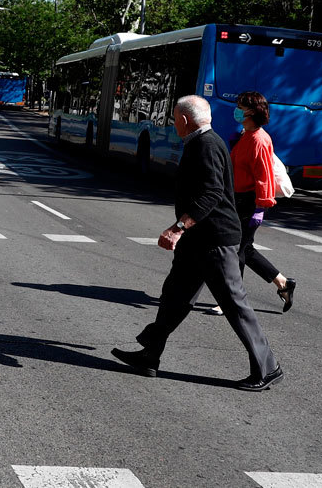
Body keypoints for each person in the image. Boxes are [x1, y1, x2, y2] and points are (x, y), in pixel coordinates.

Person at [111, 95, 283, 391]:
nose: (173, 122)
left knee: (234, 303)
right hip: (199, 238)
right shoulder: (203, 142)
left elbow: (211, 194)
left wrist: (178, 228)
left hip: (215, 239)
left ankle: (268, 368)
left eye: (175, 118)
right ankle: (150, 354)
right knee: (175, 295)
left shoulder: (206, 145)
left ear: (185, 120)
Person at [207, 91, 296, 313]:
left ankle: (230, 299)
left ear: (252, 112)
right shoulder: (247, 134)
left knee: (235, 250)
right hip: (237, 198)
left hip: (248, 201)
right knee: (245, 248)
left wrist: (260, 206)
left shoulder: (259, 139)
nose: (236, 110)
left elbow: (263, 175)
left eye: (240, 107)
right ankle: (283, 283)